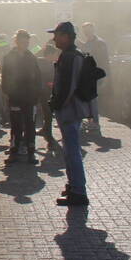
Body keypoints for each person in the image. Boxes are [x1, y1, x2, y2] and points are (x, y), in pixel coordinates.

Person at [48, 21, 93, 207]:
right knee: (69, 150)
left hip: (69, 110)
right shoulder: (71, 55)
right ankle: (73, 185)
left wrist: (56, 104)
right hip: (72, 109)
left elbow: (68, 87)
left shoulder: (70, 57)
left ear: (66, 36)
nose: (54, 38)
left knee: (72, 151)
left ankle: (78, 192)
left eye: (57, 35)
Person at [1, 30, 42, 163]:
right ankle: (14, 151)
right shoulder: (9, 57)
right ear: (16, 41)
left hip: (30, 97)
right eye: (22, 41)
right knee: (16, 125)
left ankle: (31, 152)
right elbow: (5, 76)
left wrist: (37, 94)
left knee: (30, 125)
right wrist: (7, 92)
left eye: (27, 41)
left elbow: (37, 77)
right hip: (15, 97)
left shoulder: (31, 57)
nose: (24, 44)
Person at [79, 22, 110, 132]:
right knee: (89, 99)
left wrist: (105, 76)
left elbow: (104, 60)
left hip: (95, 75)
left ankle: (95, 123)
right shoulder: (88, 42)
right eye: (85, 30)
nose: (86, 32)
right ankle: (91, 121)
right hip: (88, 75)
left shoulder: (99, 43)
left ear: (93, 30)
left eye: (88, 30)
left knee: (92, 100)